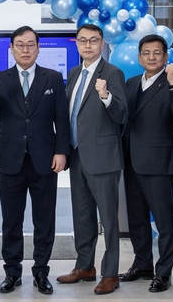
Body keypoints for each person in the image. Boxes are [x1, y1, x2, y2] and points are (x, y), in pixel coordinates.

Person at [0, 25, 70, 295]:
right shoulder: (1, 78)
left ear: (38, 48)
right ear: (11, 49)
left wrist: (61, 151)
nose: (25, 49)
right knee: (11, 220)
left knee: (44, 219)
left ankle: (41, 271)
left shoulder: (53, 78)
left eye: (31, 44)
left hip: (45, 159)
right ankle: (12, 271)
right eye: (19, 45)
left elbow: (61, 118)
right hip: (10, 159)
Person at [55, 25, 128, 295]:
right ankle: (85, 266)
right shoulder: (75, 72)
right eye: (83, 40)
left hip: (103, 157)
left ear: (102, 43)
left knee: (108, 220)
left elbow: (122, 115)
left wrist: (106, 96)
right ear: (76, 43)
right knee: (82, 216)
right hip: (77, 156)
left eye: (93, 40)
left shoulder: (112, 73)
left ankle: (111, 273)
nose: (88, 45)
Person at [119, 34, 173, 293]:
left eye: (157, 52)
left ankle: (164, 272)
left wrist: (172, 84)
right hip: (131, 161)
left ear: (165, 57)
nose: (151, 57)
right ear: (139, 58)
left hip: (158, 162)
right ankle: (142, 264)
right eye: (146, 53)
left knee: (164, 221)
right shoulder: (131, 83)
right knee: (136, 219)